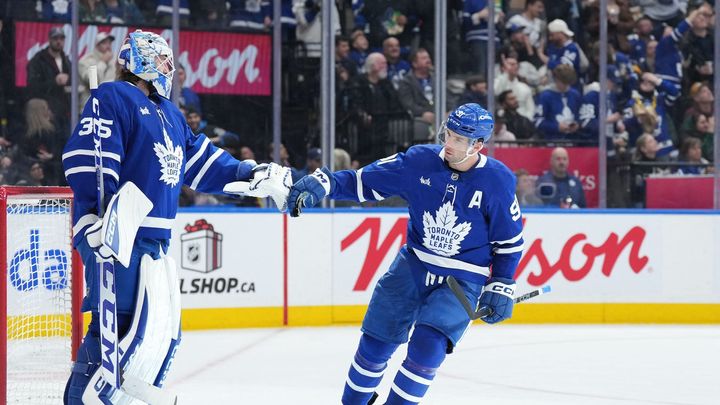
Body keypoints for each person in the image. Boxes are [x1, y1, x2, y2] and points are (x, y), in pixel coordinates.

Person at [61, 30, 289, 404]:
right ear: (147, 62)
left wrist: (251, 174)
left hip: (155, 248)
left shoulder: (170, 115)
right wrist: (93, 223)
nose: (173, 70)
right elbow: (88, 161)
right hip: (118, 239)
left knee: (153, 341)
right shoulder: (115, 96)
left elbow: (202, 163)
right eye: (166, 62)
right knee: (114, 334)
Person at [287, 103, 524, 404]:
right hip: (413, 265)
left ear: (477, 144)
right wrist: (327, 183)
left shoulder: (497, 181)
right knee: (375, 343)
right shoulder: (419, 161)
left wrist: (502, 281)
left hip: (462, 280)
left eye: (459, 139)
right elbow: (365, 182)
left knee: (428, 348)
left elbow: (509, 241)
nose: (448, 144)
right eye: (447, 134)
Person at [26, 27, 71, 135]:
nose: (59, 41)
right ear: (49, 40)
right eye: (55, 38)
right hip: (47, 110)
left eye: (61, 38)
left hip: (65, 109)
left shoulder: (66, 59)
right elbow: (32, 86)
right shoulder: (38, 60)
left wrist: (69, 80)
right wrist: (54, 82)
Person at [78, 31, 116, 109]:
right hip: (90, 108)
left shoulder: (114, 62)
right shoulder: (85, 61)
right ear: (97, 45)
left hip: (110, 108)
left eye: (109, 43)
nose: (108, 46)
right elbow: (92, 82)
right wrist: (103, 62)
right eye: (104, 43)